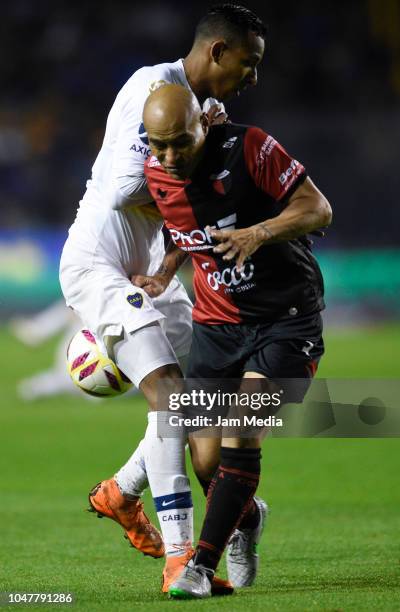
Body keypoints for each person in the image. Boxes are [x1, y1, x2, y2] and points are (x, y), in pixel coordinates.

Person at [59, 3, 267, 594]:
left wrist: (174, 257)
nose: (253, 77)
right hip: (100, 262)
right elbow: (126, 188)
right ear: (217, 52)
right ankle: (182, 557)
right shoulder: (155, 88)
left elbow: (179, 212)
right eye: (248, 64)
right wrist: (197, 164)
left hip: (150, 269)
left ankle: (125, 490)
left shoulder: (201, 109)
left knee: (193, 404)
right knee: (172, 398)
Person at [138, 83, 332, 598]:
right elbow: (188, 231)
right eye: (159, 145)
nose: (170, 156)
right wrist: (163, 273)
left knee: (240, 434)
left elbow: (319, 210)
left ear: (204, 124)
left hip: (286, 319)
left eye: (181, 141)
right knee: (205, 460)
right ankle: (247, 518)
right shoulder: (156, 174)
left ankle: (199, 567)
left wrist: (259, 232)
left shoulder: (249, 148)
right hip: (217, 325)